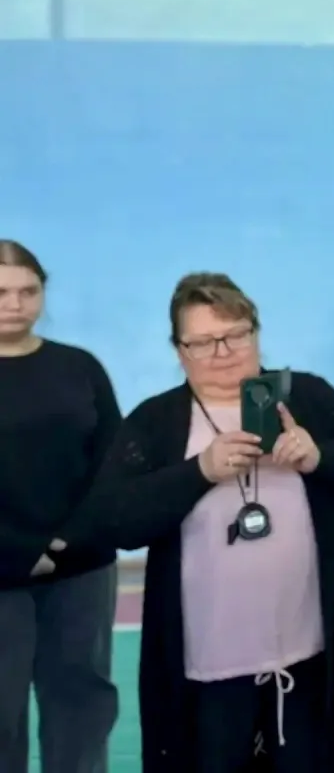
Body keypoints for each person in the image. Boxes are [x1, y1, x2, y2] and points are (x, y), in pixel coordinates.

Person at [62, 272, 334, 773]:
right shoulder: (155, 420)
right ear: (179, 351)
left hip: (309, 655)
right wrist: (200, 470)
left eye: (235, 334)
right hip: (207, 665)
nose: (222, 352)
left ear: (255, 332)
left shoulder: (304, 395)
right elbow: (114, 521)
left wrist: (319, 455)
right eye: (202, 342)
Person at [0, 240, 122, 773]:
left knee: (81, 706)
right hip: (2, 574)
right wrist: (23, 552)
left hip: (80, 571)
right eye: (2, 292)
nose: (15, 303)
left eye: (28, 291)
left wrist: (65, 545)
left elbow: (113, 464)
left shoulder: (80, 368)